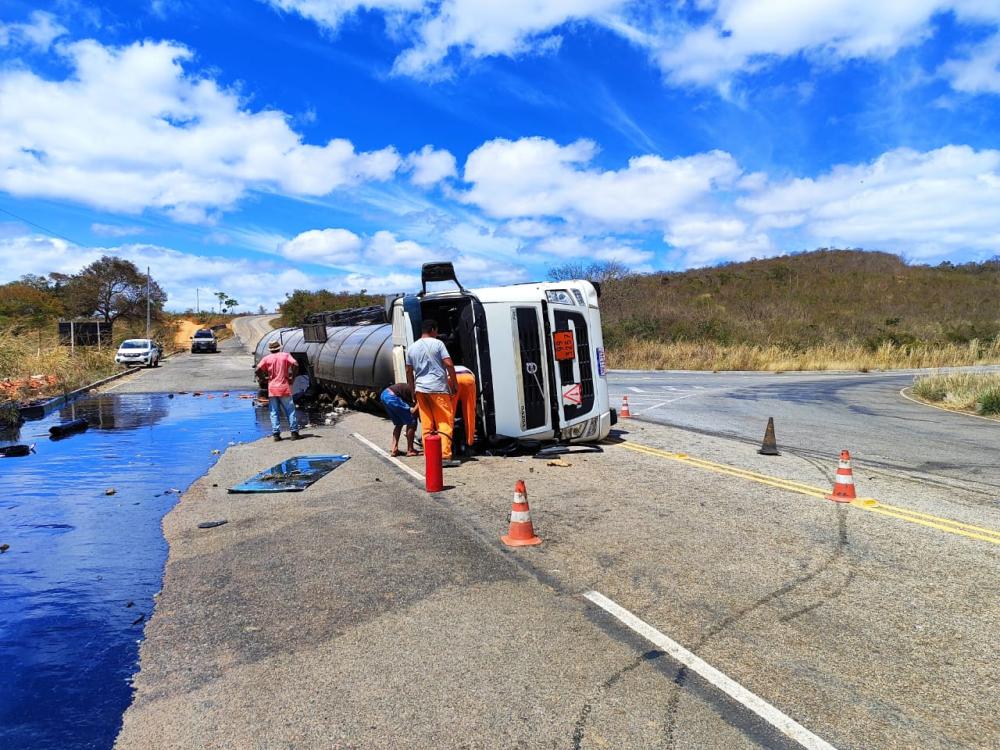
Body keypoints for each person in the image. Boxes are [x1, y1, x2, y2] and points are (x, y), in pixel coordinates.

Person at [405, 319, 459, 468]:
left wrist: (412, 390)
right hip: (438, 389)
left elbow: (408, 371)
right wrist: (454, 384)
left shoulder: (412, 348)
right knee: (444, 422)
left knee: (427, 424)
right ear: (433, 329)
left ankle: (431, 457)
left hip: (421, 390)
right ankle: (444, 456)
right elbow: (448, 364)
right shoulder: (438, 344)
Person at [255, 340, 300, 441]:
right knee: (290, 410)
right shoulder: (285, 355)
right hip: (284, 387)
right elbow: (296, 364)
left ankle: (276, 434)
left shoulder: (266, 358)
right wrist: (292, 377)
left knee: (274, 412)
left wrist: (263, 379)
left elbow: (257, 370)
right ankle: (294, 433)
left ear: (270, 349)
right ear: (279, 347)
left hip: (272, 388)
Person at [380, 382, 419, 457]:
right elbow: (415, 410)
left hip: (384, 395)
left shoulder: (413, 388)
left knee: (399, 423)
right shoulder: (420, 392)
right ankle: (410, 450)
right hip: (392, 397)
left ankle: (394, 449)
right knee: (412, 421)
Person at [452, 364, 477, 450]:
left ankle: (448, 442)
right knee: (470, 412)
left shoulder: (446, 369)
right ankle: (470, 442)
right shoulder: (467, 369)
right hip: (468, 377)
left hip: (451, 378)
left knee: (449, 413)